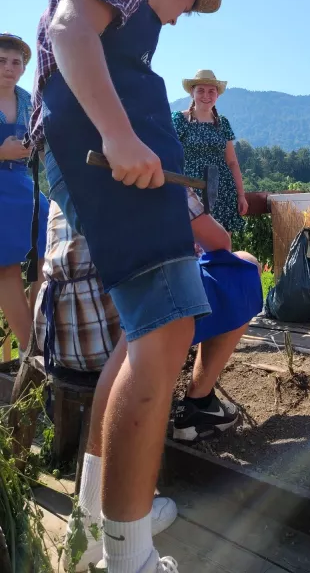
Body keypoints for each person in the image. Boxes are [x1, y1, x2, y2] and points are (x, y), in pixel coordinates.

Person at [29, 0, 222, 573]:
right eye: (188, 4)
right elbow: (67, 29)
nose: (181, 17)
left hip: (118, 160)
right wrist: (117, 134)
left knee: (145, 334)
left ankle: (97, 525)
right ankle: (128, 559)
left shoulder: (137, 22)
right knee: (167, 329)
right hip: (100, 150)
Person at [34, 189, 261, 571]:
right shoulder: (150, 163)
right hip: (117, 330)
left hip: (62, 337)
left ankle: (87, 525)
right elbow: (219, 241)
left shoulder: (65, 175)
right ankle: (198, 404)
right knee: (242, 266)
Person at [0, 33, 48, 351]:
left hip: (23, 186)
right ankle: (30, 350)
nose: (8, 67)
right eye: (1, 61)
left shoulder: (29, 100)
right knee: (5, 268)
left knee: (48, 257)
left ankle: (41, 342)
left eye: (15, 62)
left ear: (23, 68)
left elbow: (43, 143)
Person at [172, 70, 247, 233]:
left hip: (223, 192)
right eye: (201, 90)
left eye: (211, 91)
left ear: (217, 95)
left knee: (222, 246)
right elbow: (170, 156)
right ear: (192, 92)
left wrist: (241, 195)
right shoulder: (180, 120)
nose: (206, 95)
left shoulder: (223, 123)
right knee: (192, 246)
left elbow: (232, 162)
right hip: (190, 192)